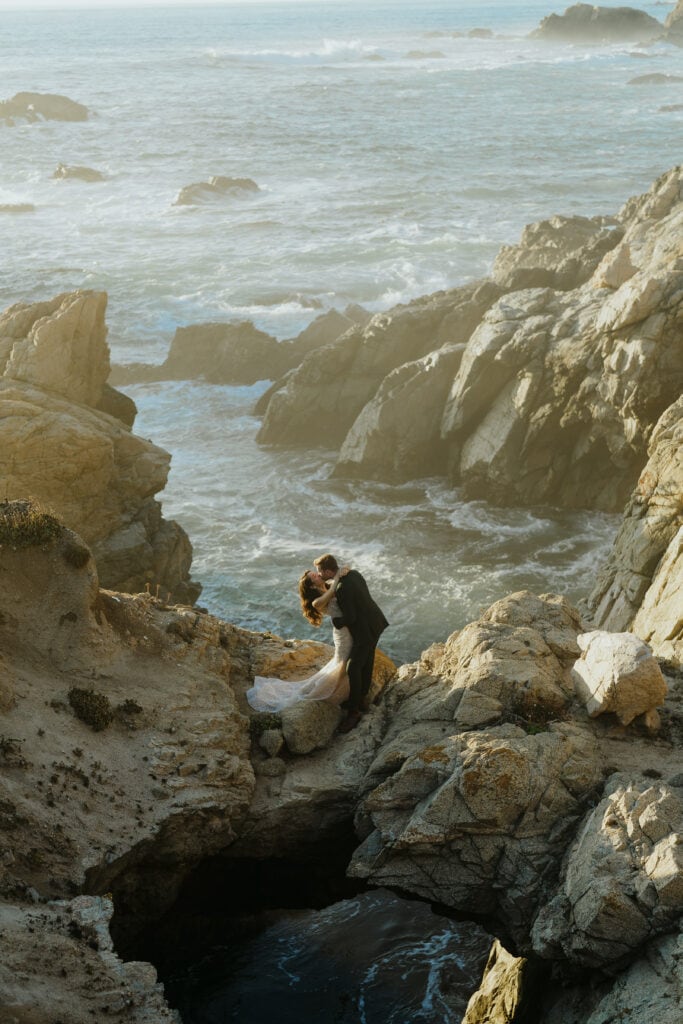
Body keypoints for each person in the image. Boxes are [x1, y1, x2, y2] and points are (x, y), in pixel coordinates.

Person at [246, 565, 352, 713]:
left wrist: (342, 571)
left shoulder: (327, 586)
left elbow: (339, 586)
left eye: (314, 573)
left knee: (345, 661)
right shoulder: (318, 601)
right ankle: (340, 693)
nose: (316, 574)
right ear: (311, 585)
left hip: (346, 628)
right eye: (313, 576)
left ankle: (345, 691)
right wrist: (338, 576)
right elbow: (335, 590)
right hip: (343, 633)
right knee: (343, 661)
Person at [314, 553, 388, 733]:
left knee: (353, 668)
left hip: (365, 631)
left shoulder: (341, 588)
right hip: (376, 622)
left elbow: (350, 617)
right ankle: (362, 698)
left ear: (328, 571)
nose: (320, 575)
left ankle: (353, 712)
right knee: (367, 661)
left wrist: (336, 622)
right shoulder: (354, 574)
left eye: (320, 572)